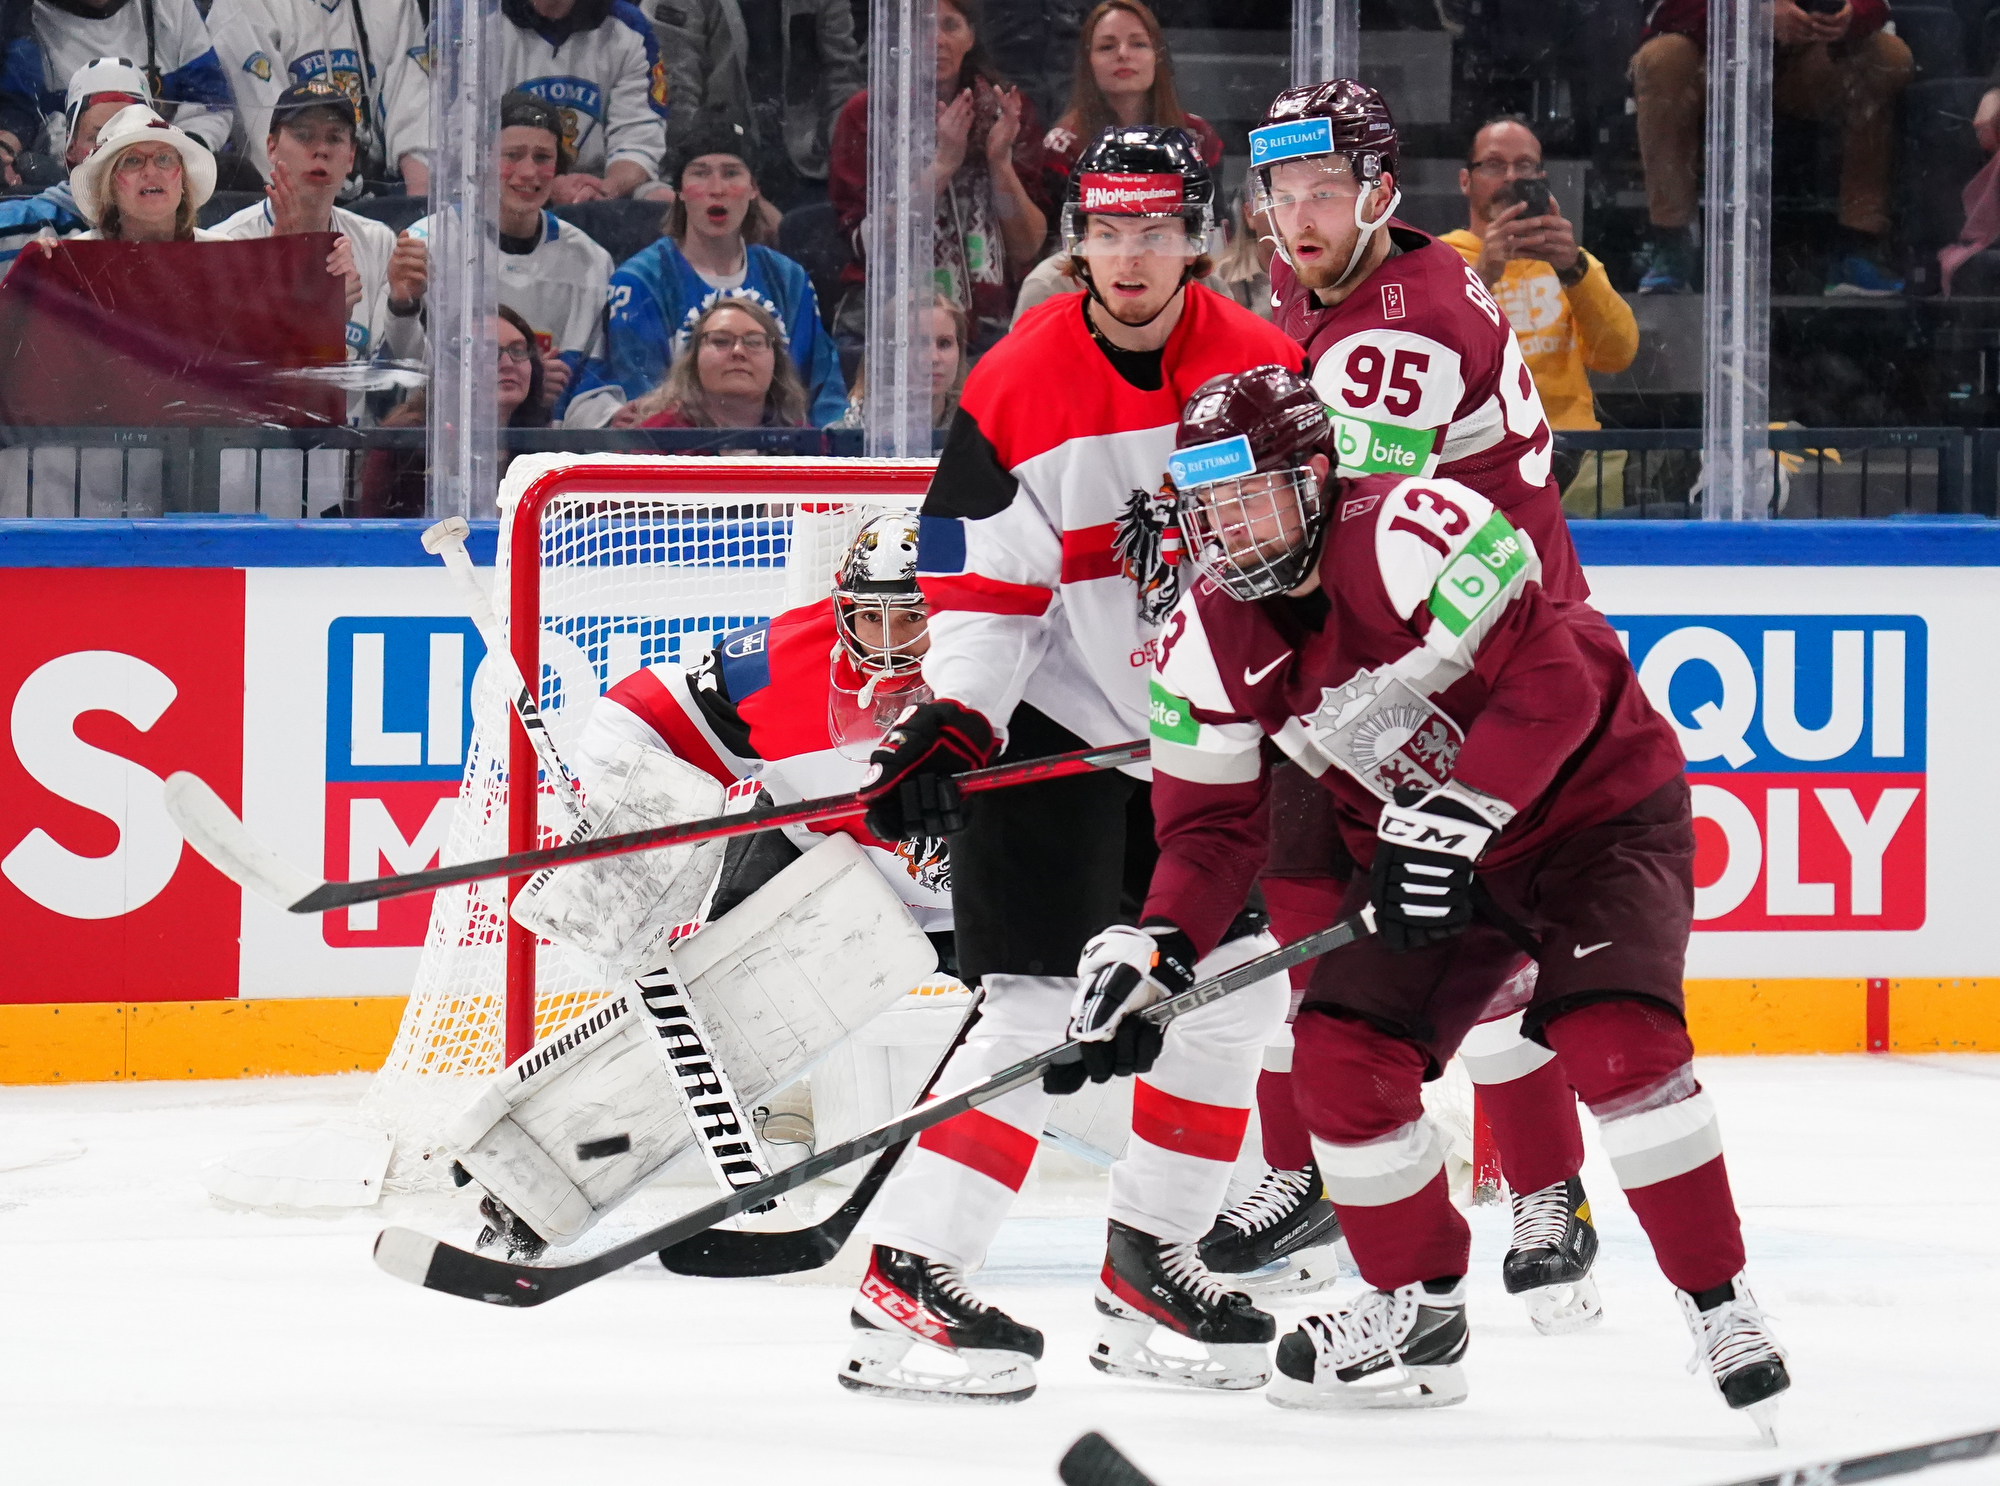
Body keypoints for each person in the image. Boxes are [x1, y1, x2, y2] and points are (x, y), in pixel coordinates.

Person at [1140, 364, 1791, 1433]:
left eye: (1249, 497)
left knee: (1617, 1044)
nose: (1226, 531)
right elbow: (1210, 832)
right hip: (1429, 850)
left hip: (1592, 818)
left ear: (1316, 476)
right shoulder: (1201, 638)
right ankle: (1418, 1309)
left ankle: (1720, 1304)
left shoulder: (1411, 527)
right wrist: (1157, 943)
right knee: (1339, 1061)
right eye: (1207, 506)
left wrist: (1454, 814)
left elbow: (1552, 683)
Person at [837, 125, 1308, 1404]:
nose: (1129, 255)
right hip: (1059, 720)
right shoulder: (1016, 380)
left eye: (1154, 229)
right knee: (1037, 1004)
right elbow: (984, 586)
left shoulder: (1264, 366)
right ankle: (907, 1273)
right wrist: (956, 719)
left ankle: (1149, 1256)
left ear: (1197, 235)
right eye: (1106, 229)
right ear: (1077, 237)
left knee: (1234, 991)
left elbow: (1300, 549)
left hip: (1207, 730)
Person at [1207, 80, 1604, 1315]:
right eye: (1281, 191)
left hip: (1484, 663)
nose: (1298, 214)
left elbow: (1342, 518)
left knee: (1462, 932)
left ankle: (1545, 1186)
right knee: (1306, 904)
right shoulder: (1344, 279)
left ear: (1378, 191)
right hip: (1414, 637)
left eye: (1323, 190)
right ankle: (1306, 1169)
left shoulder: (1401, 329)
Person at [566, 116, 846, 427]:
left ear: (753, 189)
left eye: (731, 173)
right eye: (700, 174)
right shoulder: (640, 282)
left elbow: (822, 392)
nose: (717, 189)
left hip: (777, 448)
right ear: (680, 191)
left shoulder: (789, 279)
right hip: (680, 449)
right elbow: (646, 402)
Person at [1631, 0, 1912, 296]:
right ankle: (1673, 245)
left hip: (1809, 60)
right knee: (1662, 58)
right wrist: (1754, 14)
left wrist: (1849, 15)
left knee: (1887, 55)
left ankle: (1859, 246)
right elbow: (1665, 11)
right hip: (1716, 60)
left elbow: (1879, 5)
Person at [1439, 115, 1637, 511]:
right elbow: (1430, 355)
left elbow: (1617, 355)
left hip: (1576, 455)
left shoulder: (1573, 263)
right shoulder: (1437, 259)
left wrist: (1574, 270)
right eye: (1494, 165)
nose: (1511, 177)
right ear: (1465, 181)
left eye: (1525, 166)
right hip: (1473, 458)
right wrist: (1483, 276)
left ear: (1541, 178)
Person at [828, 0, 1050, 350]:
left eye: (950, 26)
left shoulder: (1006, 109)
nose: (936, 40)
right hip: (893, 326)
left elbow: (1027, 248)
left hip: (992, 327)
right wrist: (942, 166)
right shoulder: (867, 114)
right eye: (922, 26)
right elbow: (866, 246)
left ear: (971, 36)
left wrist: (999, 163)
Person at [409, 91, 613, 421]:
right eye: (512, 156)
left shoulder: (591, 261)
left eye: (543, 157)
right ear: (481, 162)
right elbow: (405, 371)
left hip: (550, 445)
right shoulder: (428, 245)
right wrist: (526, 378)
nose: (529, 172)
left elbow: (592, 387)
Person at [210, 81, 427, 381]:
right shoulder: (226, 243)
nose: (321, 150)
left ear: (350, 157)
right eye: (304, 135)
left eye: (334, 138)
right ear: (271, 147)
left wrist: (402, 308)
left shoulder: (377, 241)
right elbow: (223, 379)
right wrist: (314, 317)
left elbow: (407, 374)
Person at [649, 0, 862, 210]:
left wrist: (844, 169)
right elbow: (678, 95)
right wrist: (708, 173)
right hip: (717, 166)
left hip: (810, 169)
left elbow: (842, 80)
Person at [205, 0, 432, 194]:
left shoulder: (392, 5)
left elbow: (413, 117)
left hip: (375, 193)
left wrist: (415, 220)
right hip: (282, 201)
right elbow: (271, 144)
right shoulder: (242, 7)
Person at [355, 307, 549, 516]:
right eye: (488, 353)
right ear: (453, 368)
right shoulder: (404, 444)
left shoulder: (547, 448)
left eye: (518, 351)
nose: (508, 363)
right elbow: (374, 528)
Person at [3, 0, 235, 165]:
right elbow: (22, 121)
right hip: (72, 184)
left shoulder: (170, 6)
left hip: (173, 175)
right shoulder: (20, 22)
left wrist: (179, 157)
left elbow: (211, 104)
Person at [1041, 1, 1221, 199]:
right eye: (1107, 47)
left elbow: (1214, 215)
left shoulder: (1197, 137)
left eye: (1138, 44)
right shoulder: (1064, 146)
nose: (1123, 54)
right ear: (1088, 63)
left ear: (1158, 56)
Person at [499, 0, 670, 202]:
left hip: (596, 191)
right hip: (505, 184)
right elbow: (468, 146)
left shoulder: (628, 26)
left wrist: (605, 190)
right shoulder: (480, 22)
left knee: (662, 199)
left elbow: (638, 137)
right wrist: (543, 185)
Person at [0, 55, 147, 270]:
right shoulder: (17, 226)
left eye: (130, 136)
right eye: (99, 138)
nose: (115, 151)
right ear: (71, 149)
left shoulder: (183, 229)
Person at [618, 295, 810, 428]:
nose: (738, 351)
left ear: (776, 361)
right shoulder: (654, 444)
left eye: (754, 342)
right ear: (693, 361)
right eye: (720, 341)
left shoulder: (804, 446)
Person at [66, 102, 220, 241]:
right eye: (132, 161)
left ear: (184, 180)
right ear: (108, 187)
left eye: (164, 158)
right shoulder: (77, 257)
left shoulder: (222, 253)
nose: (151, 171)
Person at [836, 292, 970, 430]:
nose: (934, 358)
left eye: (944, 343)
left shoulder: (974, 430)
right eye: (918, 343)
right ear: (887, 353)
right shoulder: (844, 435)